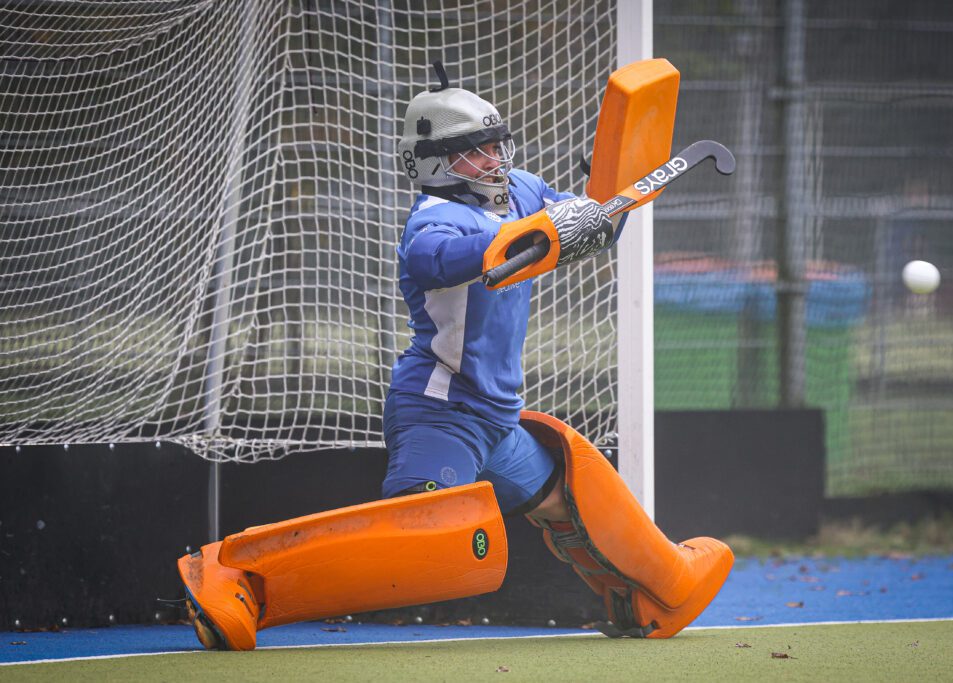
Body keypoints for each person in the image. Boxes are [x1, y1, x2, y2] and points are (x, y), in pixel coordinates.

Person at [176, 68, 733, 651]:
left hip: (496, 418)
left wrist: (599, 212)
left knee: (572, 498)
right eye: (476, 151)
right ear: (436, 163)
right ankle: (233, 576)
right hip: (439, 411)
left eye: (497, 144)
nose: (494, 158)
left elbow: (591, 224)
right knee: (416, 540)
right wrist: (539, 230)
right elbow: (437, 259)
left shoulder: (520, 188)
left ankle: (658, 589)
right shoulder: (435, 219)